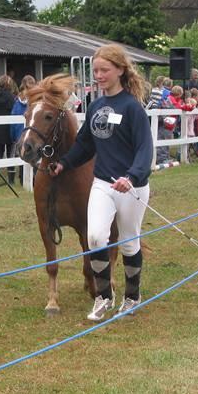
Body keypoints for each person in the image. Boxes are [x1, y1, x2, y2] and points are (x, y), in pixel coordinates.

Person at [49, 44, 153, 322]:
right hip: (103, 185)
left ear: (120, 70)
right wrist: (64, 163)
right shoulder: (96, 106)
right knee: (95, 237)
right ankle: (103, 297)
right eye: (95, 70)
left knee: (129, 242)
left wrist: (132, 176)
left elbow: (145, 149)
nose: (98, 75)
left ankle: (132, 296)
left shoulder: (133, 108)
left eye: (104, 70)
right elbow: (84, 145)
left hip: (132, 186)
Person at [0, 74, 18, 184]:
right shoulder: (11, 98)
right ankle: (11, 180)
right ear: (9, 84)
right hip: (9, 130)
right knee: (11, 154)